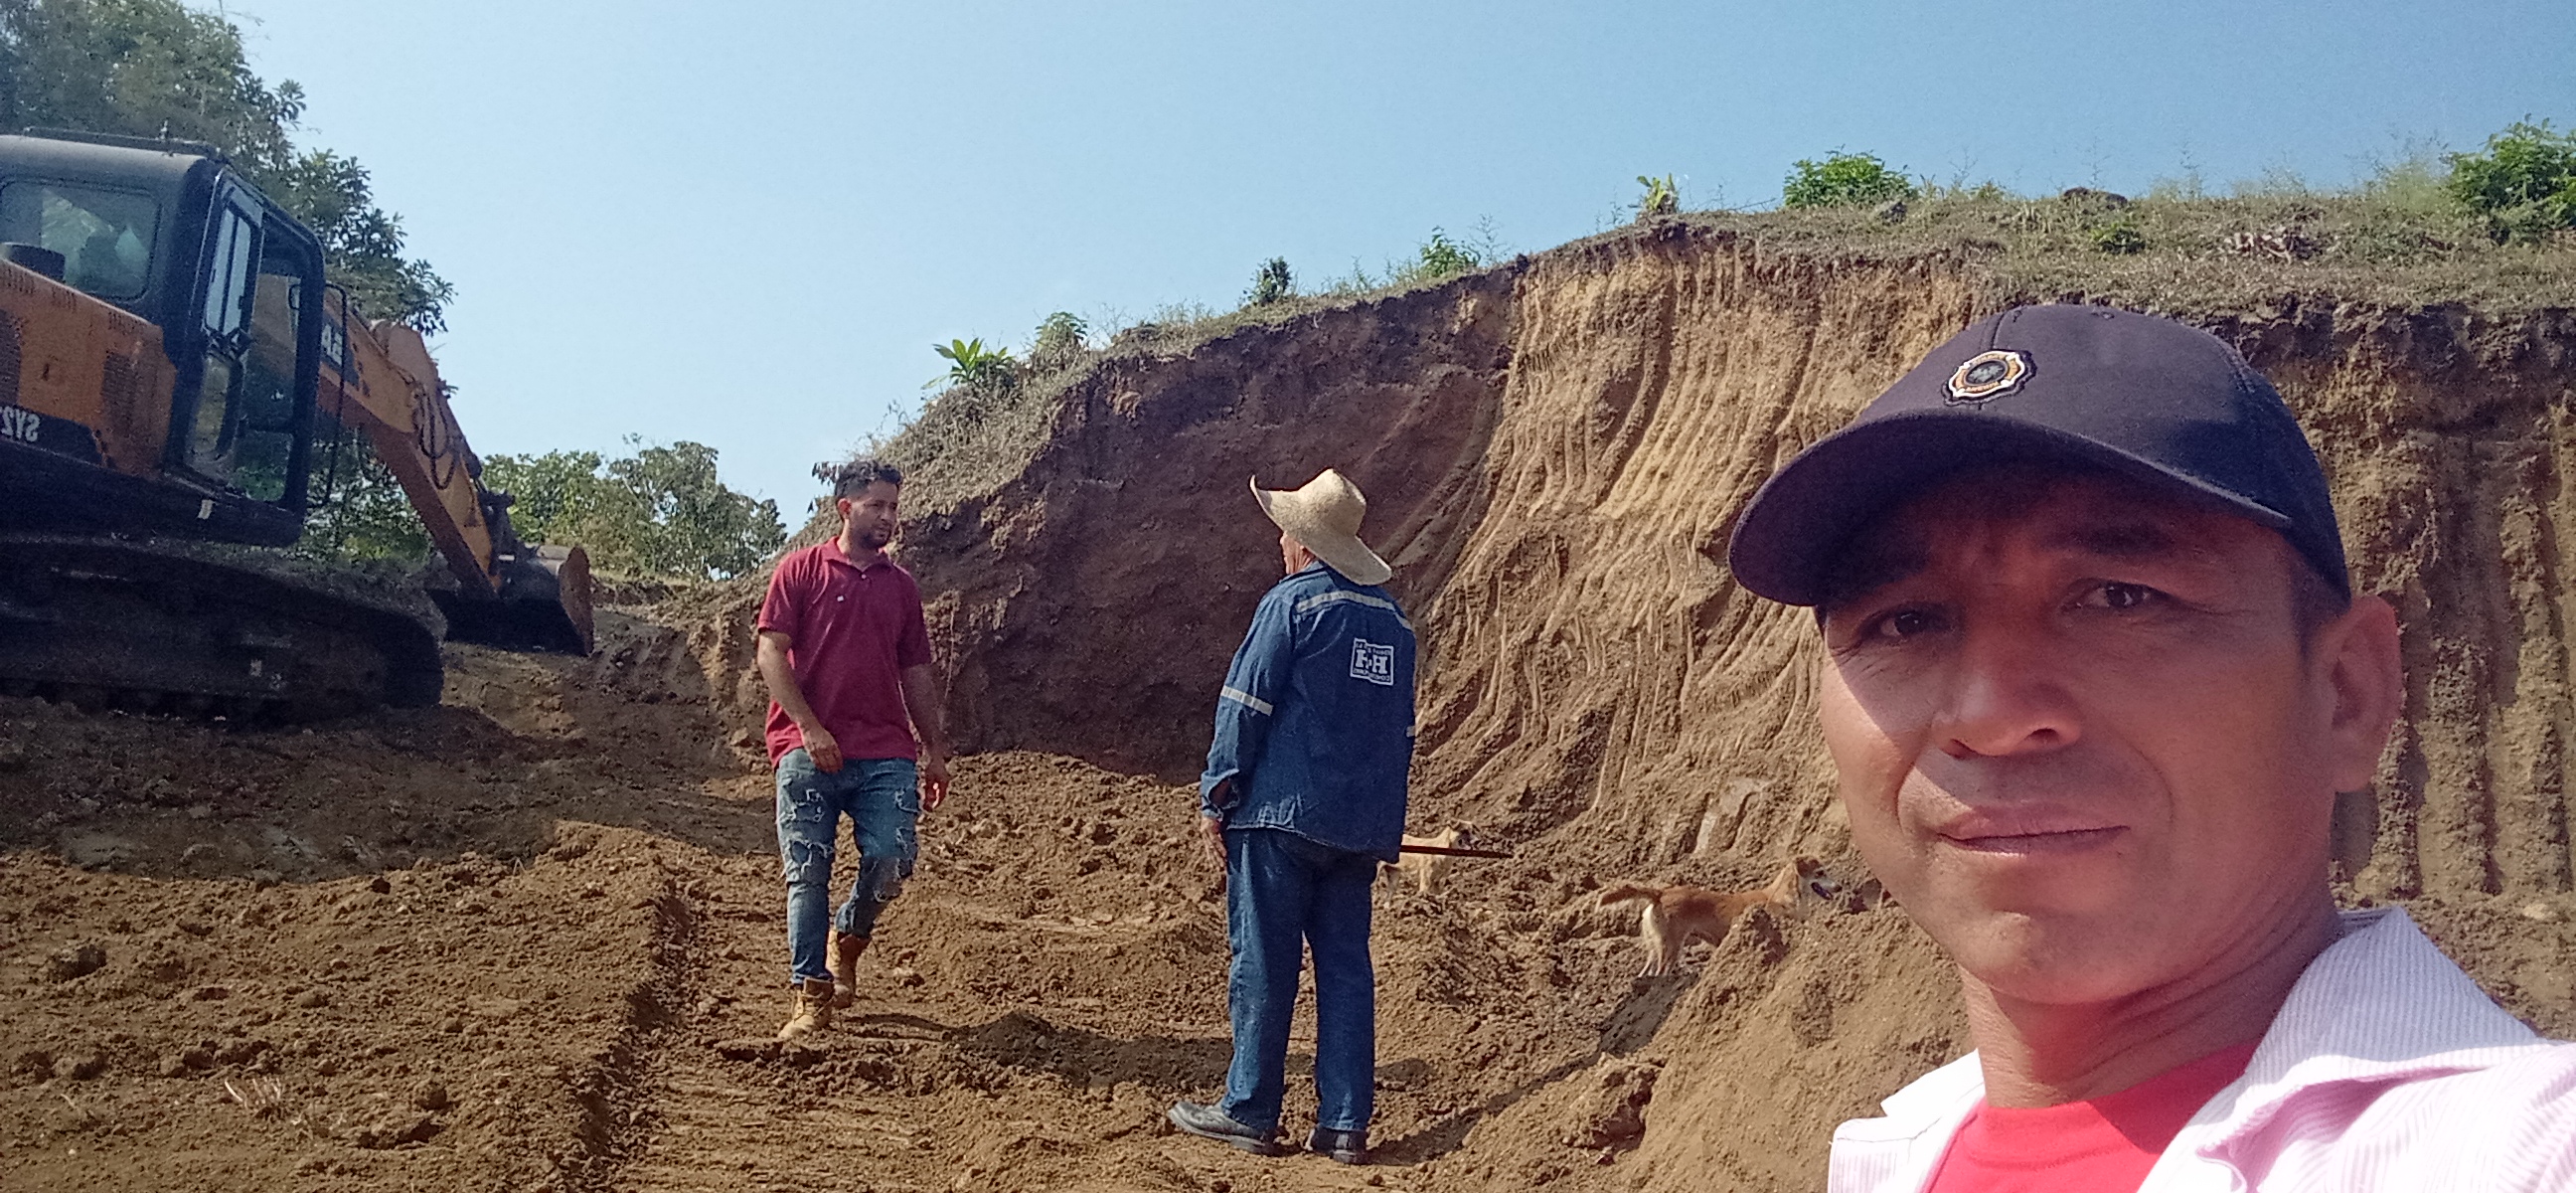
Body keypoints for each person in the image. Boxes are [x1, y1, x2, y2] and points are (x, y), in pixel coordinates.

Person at [1724, 304, 2576, 1192]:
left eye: (2119, 598)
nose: (1990, 714)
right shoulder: (1897, 1153)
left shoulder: (2520, 1155)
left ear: (2347, 694)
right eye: (1904, 622)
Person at [1168, 469, 1417, 1165]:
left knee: (1264, 963)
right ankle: (1344, 1123)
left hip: (1280, 818)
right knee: (1346, 969)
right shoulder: (1395, 624)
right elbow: (1401, 733)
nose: (1280, 543)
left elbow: (1245, 705)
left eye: (1285, 533)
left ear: (1304, 544)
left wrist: (1217, 794)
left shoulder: (1291, 604)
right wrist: (1382, 824)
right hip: (1356, 827)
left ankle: (1249, 1109)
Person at [755, 458, 951, 1041]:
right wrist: (809, 728)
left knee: (894, 857)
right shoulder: (800, 570)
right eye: (877, 506)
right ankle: (809, 993)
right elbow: (771, 653)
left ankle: (849, 936)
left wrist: (934, 749)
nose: (888, 516)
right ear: (846, 508)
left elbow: (915, 672)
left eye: (894, 506)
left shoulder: (901, 587)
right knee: (807, 872)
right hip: (805, 749)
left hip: (885, 750)